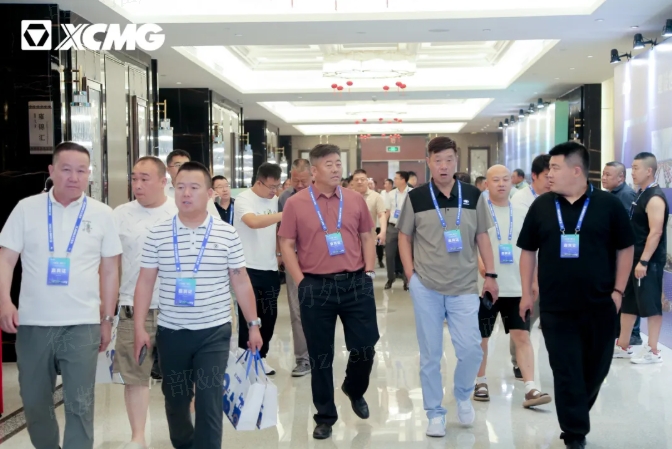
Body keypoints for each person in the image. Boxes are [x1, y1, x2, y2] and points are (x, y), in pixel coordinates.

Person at [0, 141, 122, 449]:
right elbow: (6, 259)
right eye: (66, 169)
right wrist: (4, 302)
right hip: (33, 323)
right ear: (51, 171)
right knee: (35, 402)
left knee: (80, 403)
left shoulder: (103, 214)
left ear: (89, 174)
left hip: (82, 323)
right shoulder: (26, 208)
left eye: (81, 171)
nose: (74, 177)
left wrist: (107, 319)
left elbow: (110, 270)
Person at [133, 161, 263, 449]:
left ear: (209, 193)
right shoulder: (158, 233)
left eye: (194, 187)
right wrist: (140, 327)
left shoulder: (227, 233)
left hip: (214, 331)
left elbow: (241, 281)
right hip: (171, 331)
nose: (186, 193)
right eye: (180, 187)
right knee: (176, 398)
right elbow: (145, 282)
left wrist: (253, 325)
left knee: (209, 399)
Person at [517, 142, 634, 449]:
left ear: (576, 170)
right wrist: (527, 293)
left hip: (600, 305)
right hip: (556, 307)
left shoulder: (609, 205)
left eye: (555, 168)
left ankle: (575, 415)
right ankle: (574, 433)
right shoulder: (542, 206)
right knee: (566, 370)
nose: (549, 174)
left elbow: (625, 248)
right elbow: (527, 251)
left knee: (596, 369)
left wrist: (618, 291)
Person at [397, 136, 499, 438]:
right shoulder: (416, 197)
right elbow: (404, 236)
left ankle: (463, 394)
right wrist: (411, 276)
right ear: (428, 162)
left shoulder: (473, 195)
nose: (443, 166)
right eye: (438, 160)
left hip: (464, 286)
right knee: (430, 354)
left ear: (457, 161)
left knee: (471, 350)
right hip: (426, 286)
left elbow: (482, 236)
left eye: (449, 160)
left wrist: (491, 274)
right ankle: (434, 413)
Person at [278, 144, 378, 440]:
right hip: (315, 286)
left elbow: (367, 236)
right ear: (314, 170)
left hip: (355, 282)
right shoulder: (296, 203)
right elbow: (286, 244)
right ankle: (324, 416)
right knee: (321, 356)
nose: (336, 169)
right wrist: (301, 281)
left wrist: (369, 272)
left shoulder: (354, 199)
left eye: (338, 163)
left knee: (365, 346)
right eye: (329, 164)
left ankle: (354, 388)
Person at [113, 156, 178, 449]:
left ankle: (187, 433)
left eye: (145, 179)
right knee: (135, 376)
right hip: (132, 307)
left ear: (164, 181)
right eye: (134, 178)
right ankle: (137, 437)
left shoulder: (181, 210)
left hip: (176, 307)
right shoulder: (120, 214)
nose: (137, 185)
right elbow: (111, 263)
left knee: (182, 376)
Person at [473, 165, 551, 409]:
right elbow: (472, 244)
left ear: (512, 182)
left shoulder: (523, 211)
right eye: (495, 180)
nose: (501, 184)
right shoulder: (479, 212)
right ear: (486, 184)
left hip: (517, 286)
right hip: (486, 287)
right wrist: (480, 265)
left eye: (505, 179)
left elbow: (531, 249)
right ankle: (480, 381)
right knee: (482, 337)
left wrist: (533, 281)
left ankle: (530, 387)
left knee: (522, 336)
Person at [615, 152, 669, 364]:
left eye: (636, 168)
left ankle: (653, 350)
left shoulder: (654, 197)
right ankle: (623, 344)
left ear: (649, 171)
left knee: (651, 304)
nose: (633, 172)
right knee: (629, 303)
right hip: (633, 259)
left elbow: (655, 232)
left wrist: (644, 261)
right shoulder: (640, 194)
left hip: (648, 262)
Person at [233, 162, 283, 375]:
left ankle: (261, 357)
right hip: (247, 268)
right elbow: (253, 222)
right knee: (249, 316)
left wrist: (279, 254)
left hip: (269, 267)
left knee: (269, 316)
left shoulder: (275, 200)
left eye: (277, 186)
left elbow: (277, 230)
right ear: (259, 182)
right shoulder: (244, 199)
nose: (274, 191)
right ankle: (246, 358)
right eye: (271, 187)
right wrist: (283, 214)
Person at [509, 153, 551, 379]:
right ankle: (518, 362)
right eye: (546, 176)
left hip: (552, 269)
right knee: (524, 318)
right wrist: (532, 279)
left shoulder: (557, 197)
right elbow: (525, 245)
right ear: (534, 176)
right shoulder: (521, 201)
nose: (551, 180)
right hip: (529, 269)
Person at [278, 158, 312, 377]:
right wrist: (280, 254)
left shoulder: (323, 195)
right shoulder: (285, 198)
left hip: (321, 259)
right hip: (294, 258)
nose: (299, 185)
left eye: (303, 181)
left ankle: (320, 354)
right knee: (297, 310)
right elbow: (280, 229)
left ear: (313, 176)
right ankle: (303, 359)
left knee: (322, 309)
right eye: (295, 180)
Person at [602, 161, 642, 346]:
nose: (604, 178)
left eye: (608, 175)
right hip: (613, 254)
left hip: (625, 254)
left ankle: (633, 333)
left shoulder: (625, 195)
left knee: (628, 294)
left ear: (620, 178)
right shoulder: (612, 194)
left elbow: (625, 229)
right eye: (603, 174)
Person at [165, 149, 219, 216]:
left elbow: (214, 216)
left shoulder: (202, 190)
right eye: (178, 165)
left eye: (186, 165)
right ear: (168, 170)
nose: (183, 168)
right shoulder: (161, 191)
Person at [385, 171, 412, 290]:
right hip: (392, 226)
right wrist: (384, 229)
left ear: (403, 180)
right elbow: (387, 211)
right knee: (389, 254)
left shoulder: (412, 193)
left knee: (407, 254)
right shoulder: (391, 194)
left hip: (407, 227)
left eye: (396, 178)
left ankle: (407, 280)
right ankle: (390, 278)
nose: (394, 180)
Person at [352, 169, 387, 246]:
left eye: (362, 179)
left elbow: (381, 215)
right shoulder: (348, 196)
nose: (359, 182)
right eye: (356, 180)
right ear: (353, 182)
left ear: (367, 181)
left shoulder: (376, 196)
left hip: (369, 238)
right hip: (351, 239)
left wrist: (383, 232)